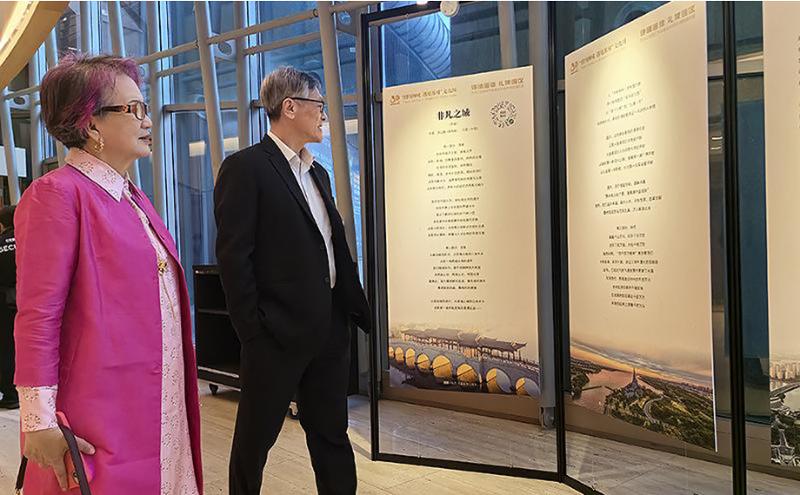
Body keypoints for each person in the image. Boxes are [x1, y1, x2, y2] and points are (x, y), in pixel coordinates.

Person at [14, 54, 203, 494]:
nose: (147, 120)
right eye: (133, 109)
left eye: (145, 107)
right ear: (91, 123)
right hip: (99, 412)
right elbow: (38, 315)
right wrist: (38, 421)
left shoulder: (133, 197)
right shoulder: (57, 194)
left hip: (154, 403)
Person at [215, 66, 371, 495]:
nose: (323, 115)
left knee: (331, 436)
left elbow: (329, 247)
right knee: (254, 443)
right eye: (318, 105)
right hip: (275, 336)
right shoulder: (246, 168)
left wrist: (348, 311)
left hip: (328, 330)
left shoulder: (318, 174)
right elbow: (234, 257)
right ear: (290, 107)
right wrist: (253, 332)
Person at [0, 205, 17, 409]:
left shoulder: (1, 242)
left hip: (5, 304)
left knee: (6, 349)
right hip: (33, 302)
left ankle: (11, 394)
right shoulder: (30, 238)